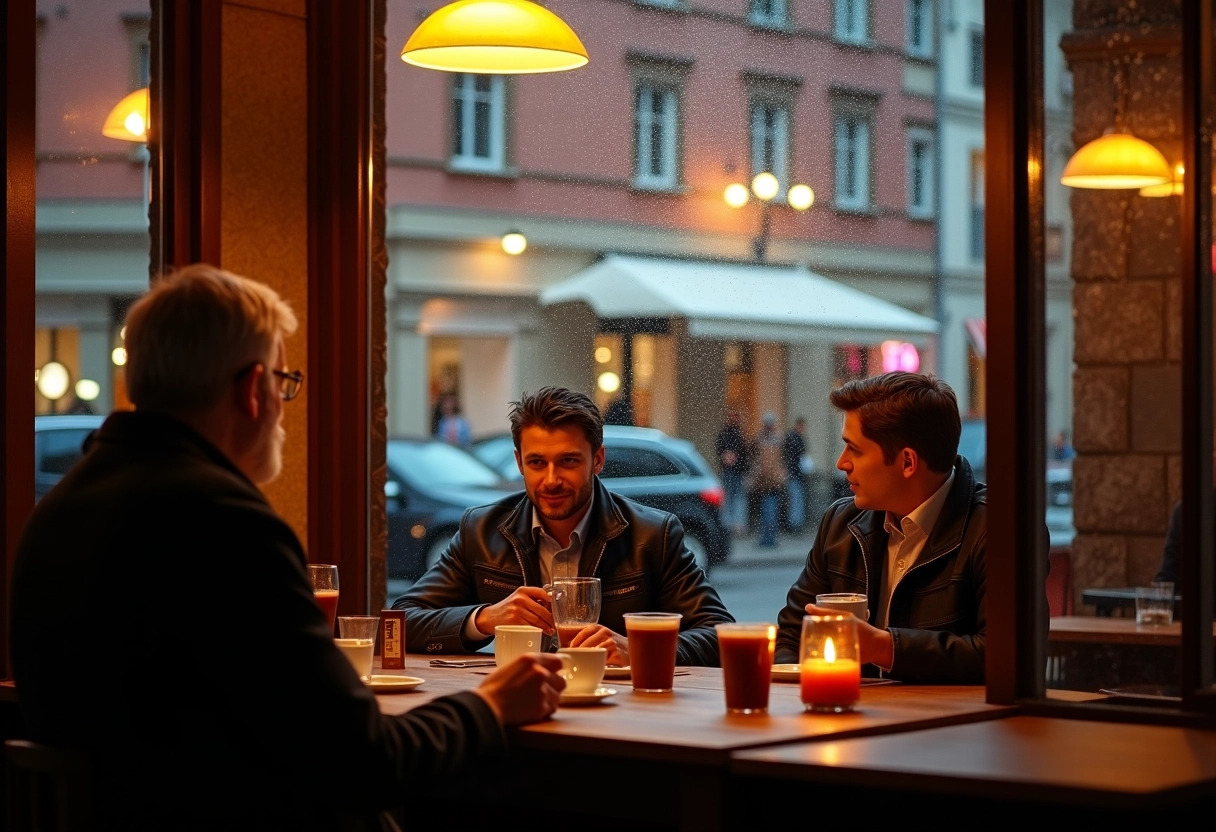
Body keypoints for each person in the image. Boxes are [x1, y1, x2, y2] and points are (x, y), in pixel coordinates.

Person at [9, 264, 567, 831]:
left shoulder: (59, 510)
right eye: (283, 382)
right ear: (254, 390)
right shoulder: (221, 523)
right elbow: (362, 761)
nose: (283, 404)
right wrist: (491, 704)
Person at [392, 385, 734, 667]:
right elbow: (400, 624)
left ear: (597, 460)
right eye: (537, 463)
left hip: (616, 721)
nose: (551, 480)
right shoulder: (481, 530)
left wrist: (640, 650)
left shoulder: (652, 534)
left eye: (568, 461)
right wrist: (485, 618)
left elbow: (721, 636)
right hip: (516, 715)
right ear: (518, 463)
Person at [773, 372, 993, 684]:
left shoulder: (995, 531)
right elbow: (792, 638)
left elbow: (1005, 655)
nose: (841, 463)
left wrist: (884, 648)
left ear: (907, 463)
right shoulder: (840, 524)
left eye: (855, 450)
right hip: (848, 722)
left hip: (954, 729)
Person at [748, 412, 787, 547]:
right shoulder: (778, 440)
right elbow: (782, 460)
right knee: (772, 509)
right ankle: (770, 538)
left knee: (767, 509)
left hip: (764, 480)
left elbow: (753, 457)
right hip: (774, 480)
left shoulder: (759, 440)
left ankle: (767, 538)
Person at [715, 409, 750, 536]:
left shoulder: (739, 434)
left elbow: (745, 453)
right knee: (729, 498)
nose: (733, 419)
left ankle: (737, 525)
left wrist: (743, 467)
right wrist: (726, 456)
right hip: (728, 471)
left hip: (738, 471)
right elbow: (719, 450)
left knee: (737, 498)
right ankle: (729, 525)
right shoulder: (725, 433)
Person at [782, 416, 809, 532]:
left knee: (794, 499)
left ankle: (794, 523)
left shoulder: (792, 437)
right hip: (795, 473)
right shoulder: (795, 438)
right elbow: (797, 456)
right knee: (796, 499)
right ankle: (795, 524)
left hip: (794, 473)